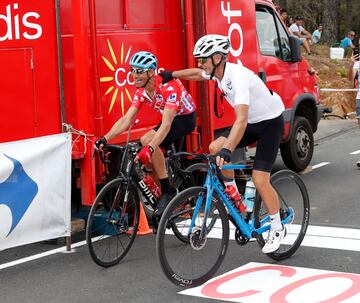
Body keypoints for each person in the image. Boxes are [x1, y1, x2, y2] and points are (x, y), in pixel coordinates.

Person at [160, 35, 286, 253]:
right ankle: (235, 197)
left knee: (259, 178)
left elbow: (241, 119)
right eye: (199, 59)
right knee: (214, 148)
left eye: (203, 59)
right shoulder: (216, 72)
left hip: (270, 122)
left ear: (217, 57)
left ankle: (277, 226)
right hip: (251, 122)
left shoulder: (237, 77)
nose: (200, 64)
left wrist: (229, 149)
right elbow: (196, 74)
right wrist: (171, 74)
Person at [94, 51, 196, 217]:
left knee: (148, 140)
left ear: (151, 72)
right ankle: (164, 191)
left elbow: (167, 124)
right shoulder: (141, 91)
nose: (134, 75)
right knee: (148, 144)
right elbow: (126, 119)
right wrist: (104, 138)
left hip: (184, 119)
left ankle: (168, 190)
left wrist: (150, 147)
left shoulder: (170, 87)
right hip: (169, 120)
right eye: (132, 70)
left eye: (139, 71)